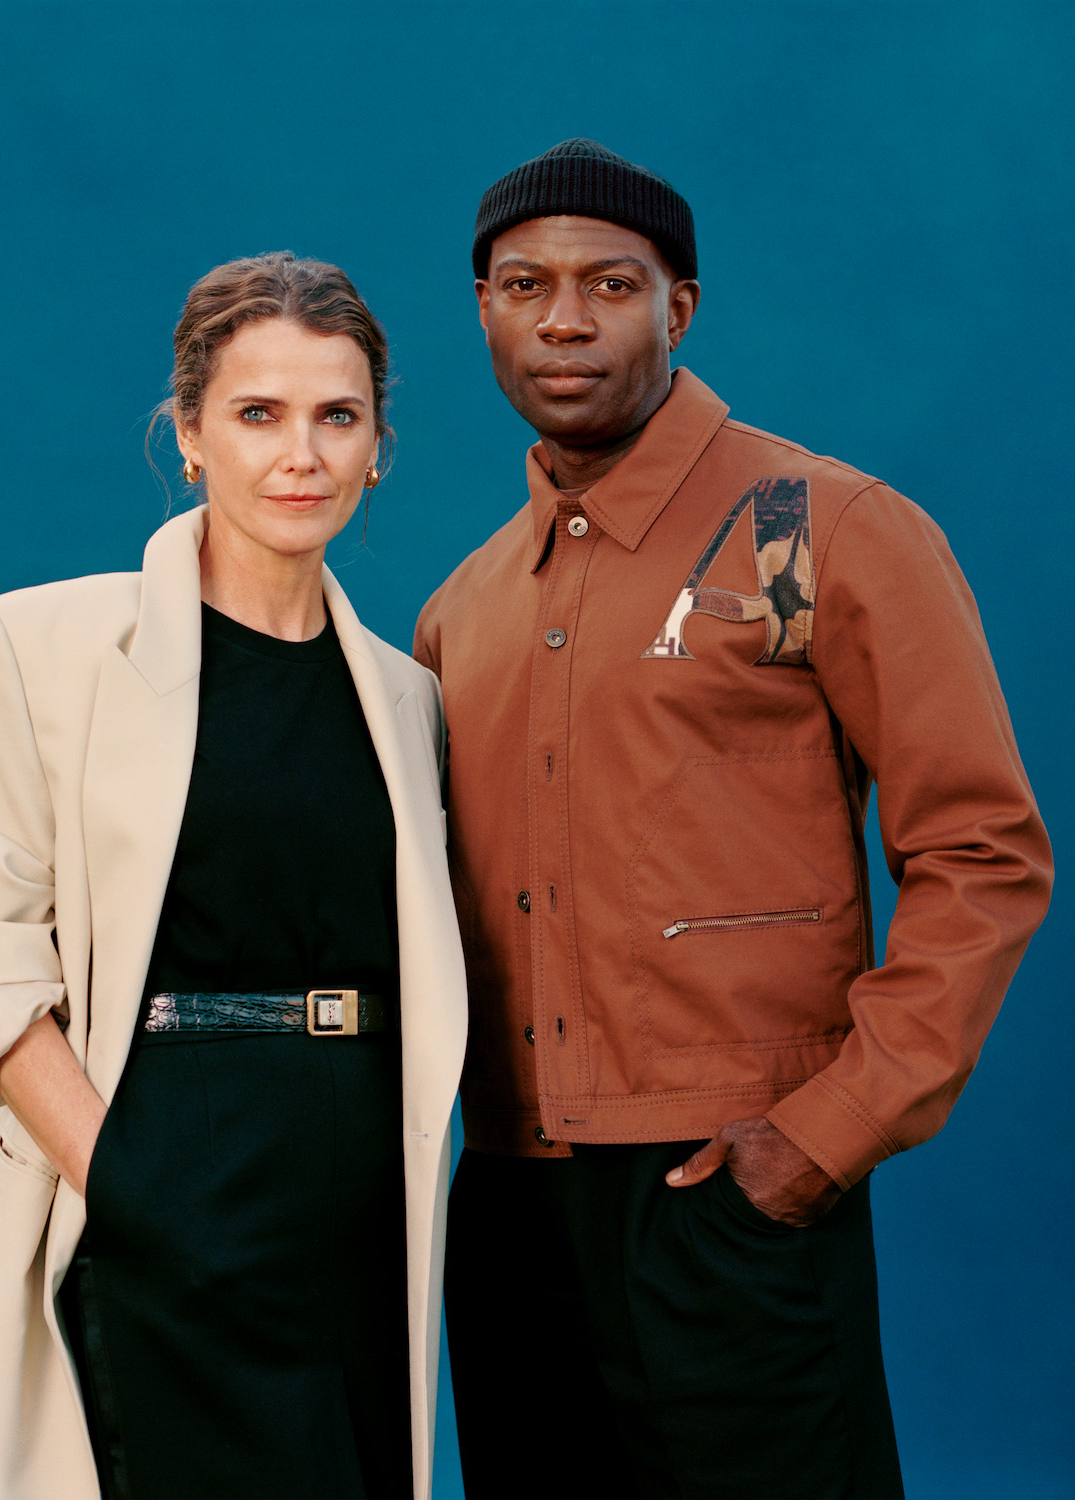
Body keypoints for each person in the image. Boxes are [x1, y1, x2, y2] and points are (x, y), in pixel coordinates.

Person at [414, 139, 1053, 1500]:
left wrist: (827, 1133)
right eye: (524, 284)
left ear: (679, 307)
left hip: (730, 1193)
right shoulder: (461, 612)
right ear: (482, 310)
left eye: (610, 283)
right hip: (511, 1209)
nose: (566, 319)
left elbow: (981, 853)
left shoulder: (820, 528)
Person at [0, 251, 466, 1500]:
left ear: (381, 445)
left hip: (366, 1189)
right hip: (165, 1163)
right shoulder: (36, 644)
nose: (302, 455)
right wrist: (131, 1188)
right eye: (258, 414)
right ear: (191, 435)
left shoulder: (412, 700)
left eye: (338, 416)